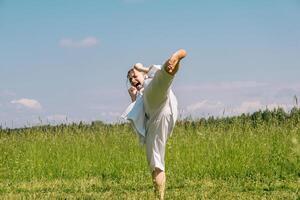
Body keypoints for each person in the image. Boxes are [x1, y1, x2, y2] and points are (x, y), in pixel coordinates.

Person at [122, 49, 187, 199]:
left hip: (156, 108)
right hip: (165, 109)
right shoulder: (143, 88)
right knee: (165, 77)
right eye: (130, 79)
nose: (132, 80)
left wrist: (142, 72)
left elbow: (141, 115)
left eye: (134, 76)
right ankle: (176, 60)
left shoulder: (147, 84)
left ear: (143, 75)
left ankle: (160, 196)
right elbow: (141, 113)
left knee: (156, 160)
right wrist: (133, 97)